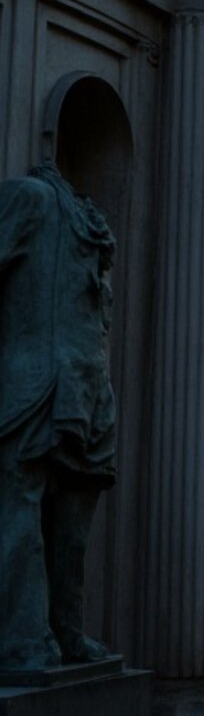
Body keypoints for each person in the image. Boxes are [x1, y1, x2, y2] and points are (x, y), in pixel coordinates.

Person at [0, 162, 117, 671]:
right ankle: (27, 635)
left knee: (63, 512)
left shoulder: (56, 209)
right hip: (53, 381)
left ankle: (58, 631)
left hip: (77, 384)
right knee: (26, 504)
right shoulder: (36, 199)